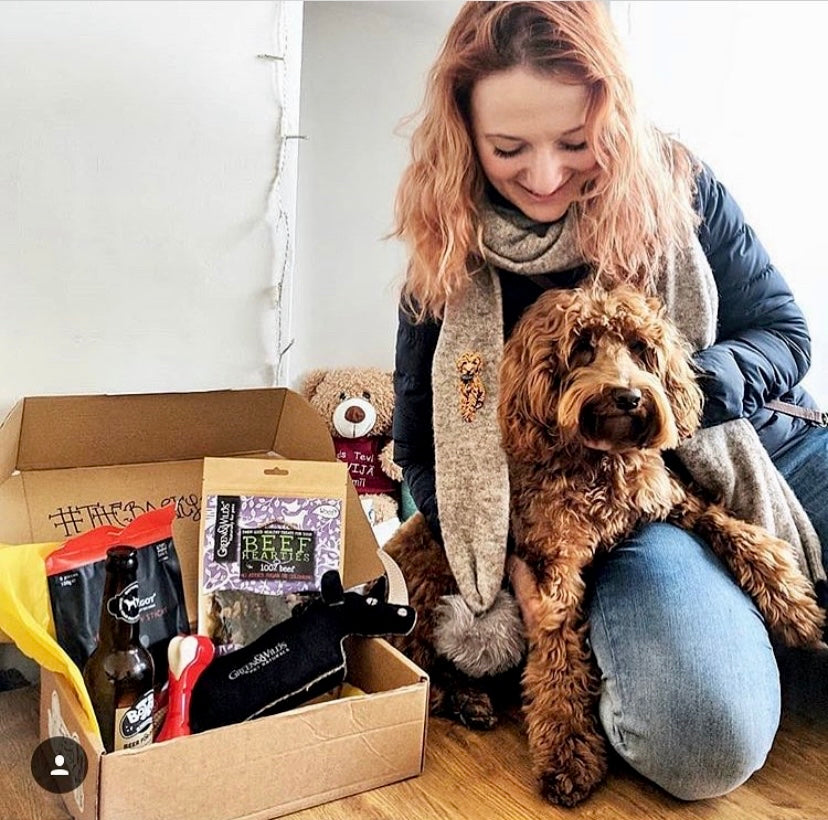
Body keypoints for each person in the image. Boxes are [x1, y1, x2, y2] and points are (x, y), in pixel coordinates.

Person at [391, 0, 828, 803]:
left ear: (610, 116)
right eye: (509, 148)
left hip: (760, 450)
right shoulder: (448, 253)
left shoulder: (678, 183)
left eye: (574, 141)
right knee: (701, 737)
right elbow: (423, 447)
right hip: (608, 512)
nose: (545, 176)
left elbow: (785, 333)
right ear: (465, 134)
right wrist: (505, 555)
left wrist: (674, 393)